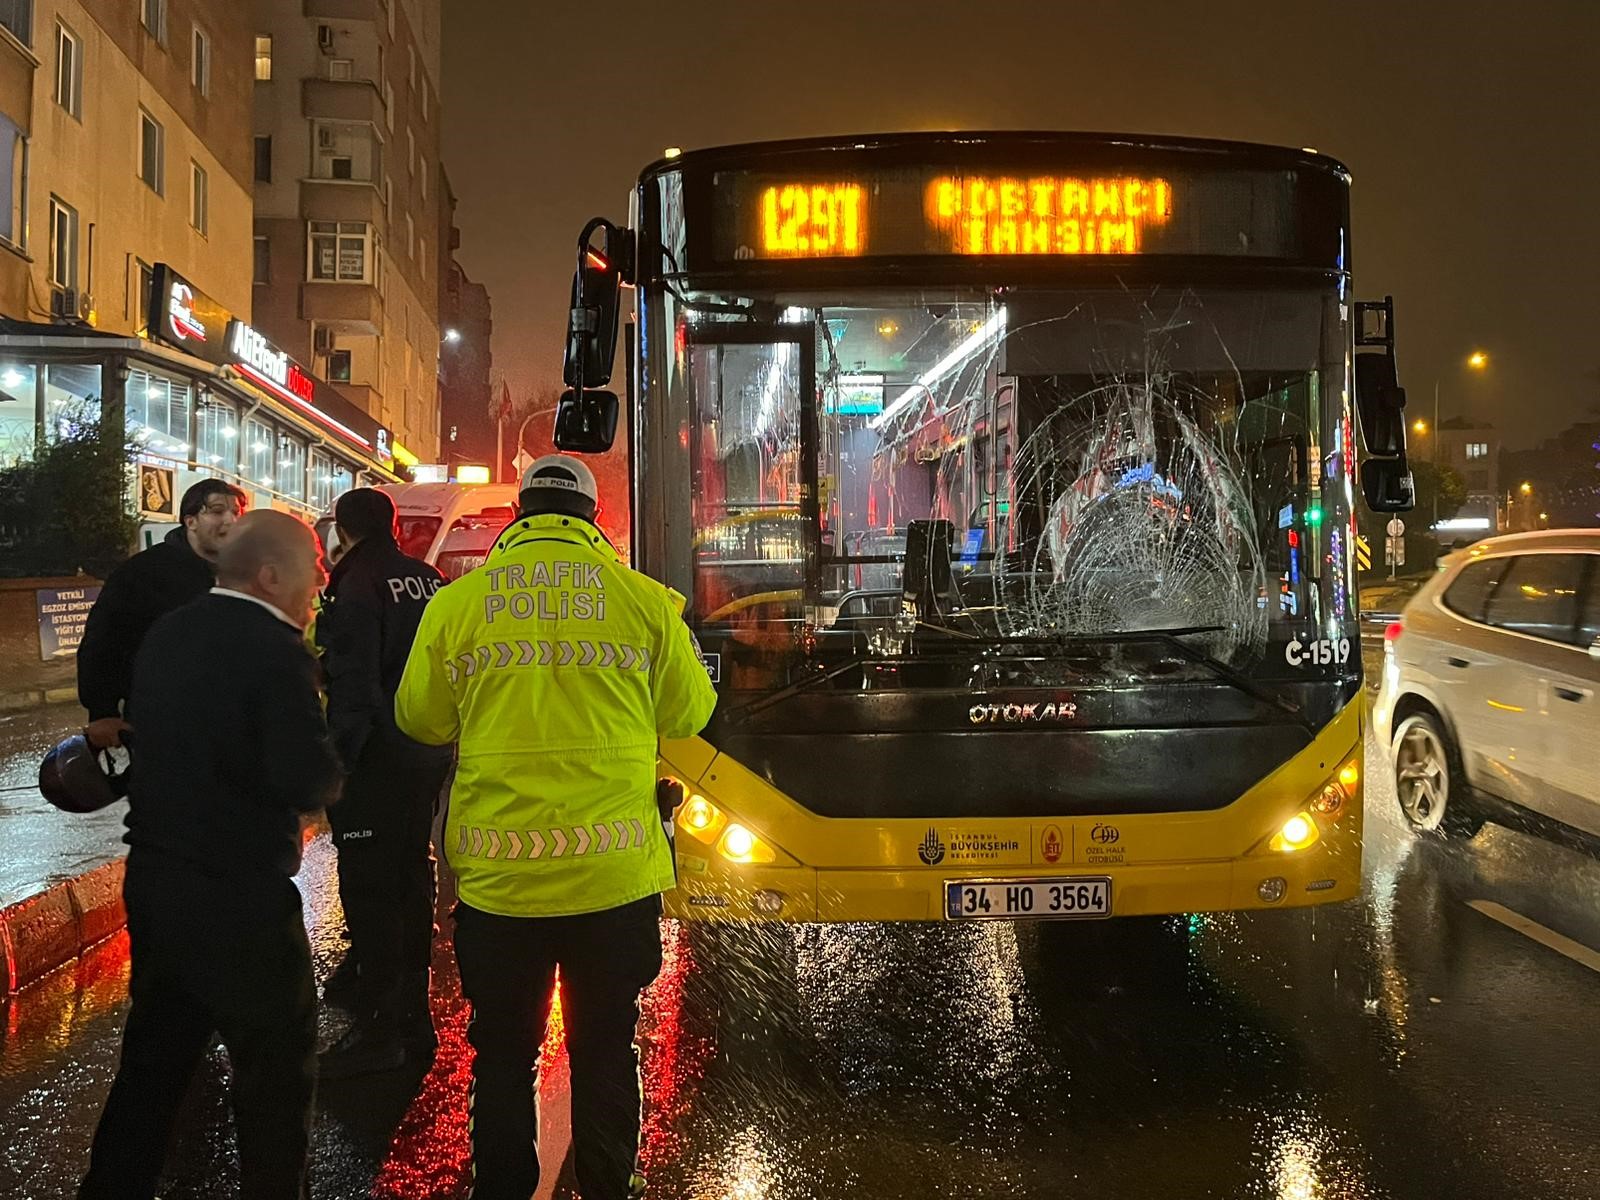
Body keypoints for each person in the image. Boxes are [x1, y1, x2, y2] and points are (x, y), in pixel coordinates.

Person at [395, 455, 717, 1200]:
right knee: (606, 1048)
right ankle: (609, 1187)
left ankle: (503, 1188)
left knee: (503, 1054)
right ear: (593, 520)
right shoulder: (644, 603)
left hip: (501, 887)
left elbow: (419, 719)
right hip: (614, 882)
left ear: (518, 516)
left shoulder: (458, 605)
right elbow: (691, 716)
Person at [79, 510, 341, 1200]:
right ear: (269, 574)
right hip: (242, 897)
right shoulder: (278, 651)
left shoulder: (171, 632)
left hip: (159, 881)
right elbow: (305, 779)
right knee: (276, 1078)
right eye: (312, 563)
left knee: (153, 1068)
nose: (321, 578)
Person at [315, 487, 452, 1078]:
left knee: (371, 891)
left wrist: (333, 766)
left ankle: (380, 1031)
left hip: (375, 759)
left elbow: (353, 686)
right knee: (410, 880)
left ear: (344, 530)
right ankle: (414, 1020)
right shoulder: (429, 578)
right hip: (426, 753)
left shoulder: (357, 584)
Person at [77, 478, 248, 720]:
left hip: (230, 721)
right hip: (162, 717)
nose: (231, 520)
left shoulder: (248, 573)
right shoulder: (143, 573)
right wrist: (102, 711)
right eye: (218, 511)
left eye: (237, 512)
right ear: (191, 521)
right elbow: (104, 641)